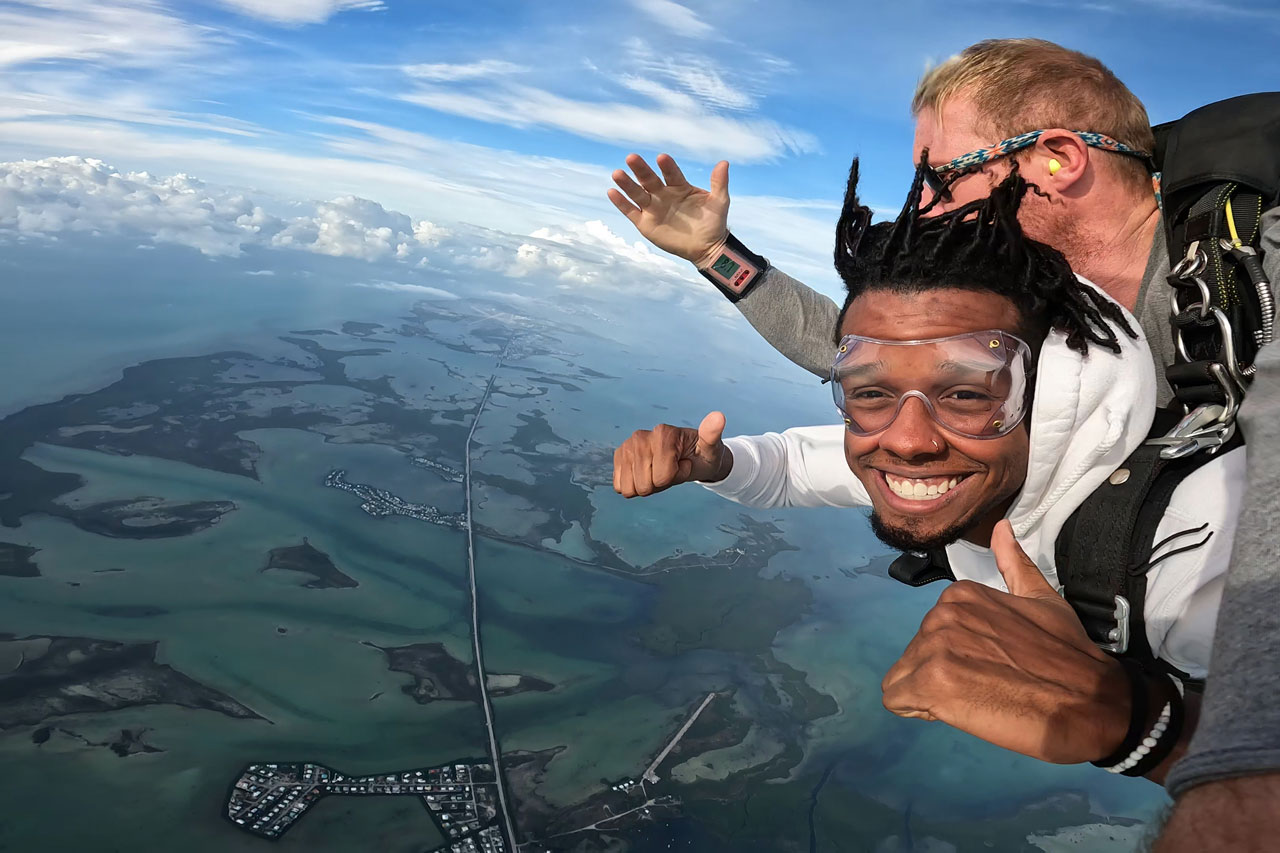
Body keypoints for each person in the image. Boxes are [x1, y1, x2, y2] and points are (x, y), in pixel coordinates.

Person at [609, 37, 1280, 808]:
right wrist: (717, 254)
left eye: (940, 178)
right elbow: (874, 357)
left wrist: (1192, 749)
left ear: (1055, 161)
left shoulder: (1253, 261)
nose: (922, 207)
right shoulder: (1052, 308)